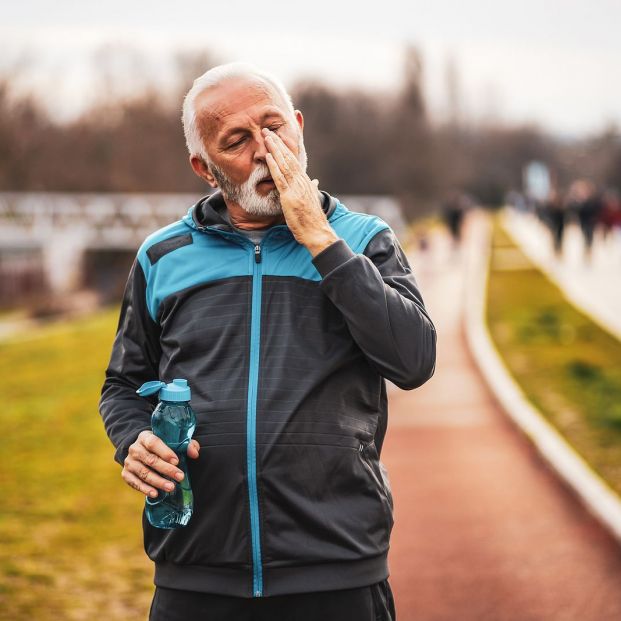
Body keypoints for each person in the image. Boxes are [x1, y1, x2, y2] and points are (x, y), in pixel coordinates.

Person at [99, 62, 437, 621]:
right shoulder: (163, 256)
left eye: (274, 127)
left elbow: (414, 360)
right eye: (235, 141)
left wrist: (322, 243)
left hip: (337, 568)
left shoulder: (364, 241)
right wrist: (133, 439)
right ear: (205, 168)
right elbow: (123, 384)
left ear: (299, 127)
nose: (264, 149)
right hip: (195, 570)